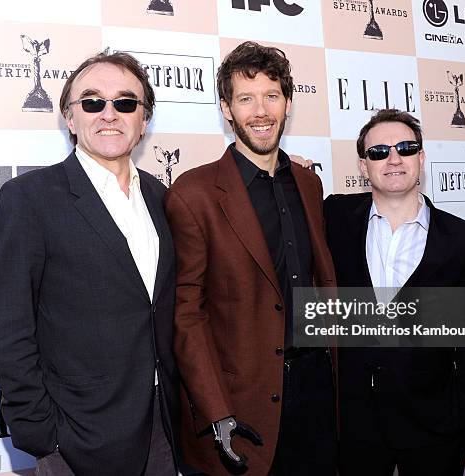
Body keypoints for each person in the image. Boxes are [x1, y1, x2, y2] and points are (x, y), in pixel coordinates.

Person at [0, 51, 182, 476]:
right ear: (70, 119)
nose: (109, 114)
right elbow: (7, 327)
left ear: (143, 120)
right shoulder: (30, 198)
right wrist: (44, 434)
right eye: (92, 102)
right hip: (76, 439)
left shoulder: (163, 198)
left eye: (126, 103)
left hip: (162, 429)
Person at [163, 41, 337, 476]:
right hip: (242, 401)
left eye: (271, 96)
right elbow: (187, 314)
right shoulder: (194, 194)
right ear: (226, 109)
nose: (260, 111)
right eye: (245, 98)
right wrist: (216, 409)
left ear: (288, 103)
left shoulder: (309, 183)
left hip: (317, 388)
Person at [324, 109, 465, 476]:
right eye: (379, 151)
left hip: (435, 425)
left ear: (421, 157)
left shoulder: (463, 240)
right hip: (354, 425)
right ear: (363, 165)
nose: (393, 158)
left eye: (405, 147)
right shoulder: (333, 217)